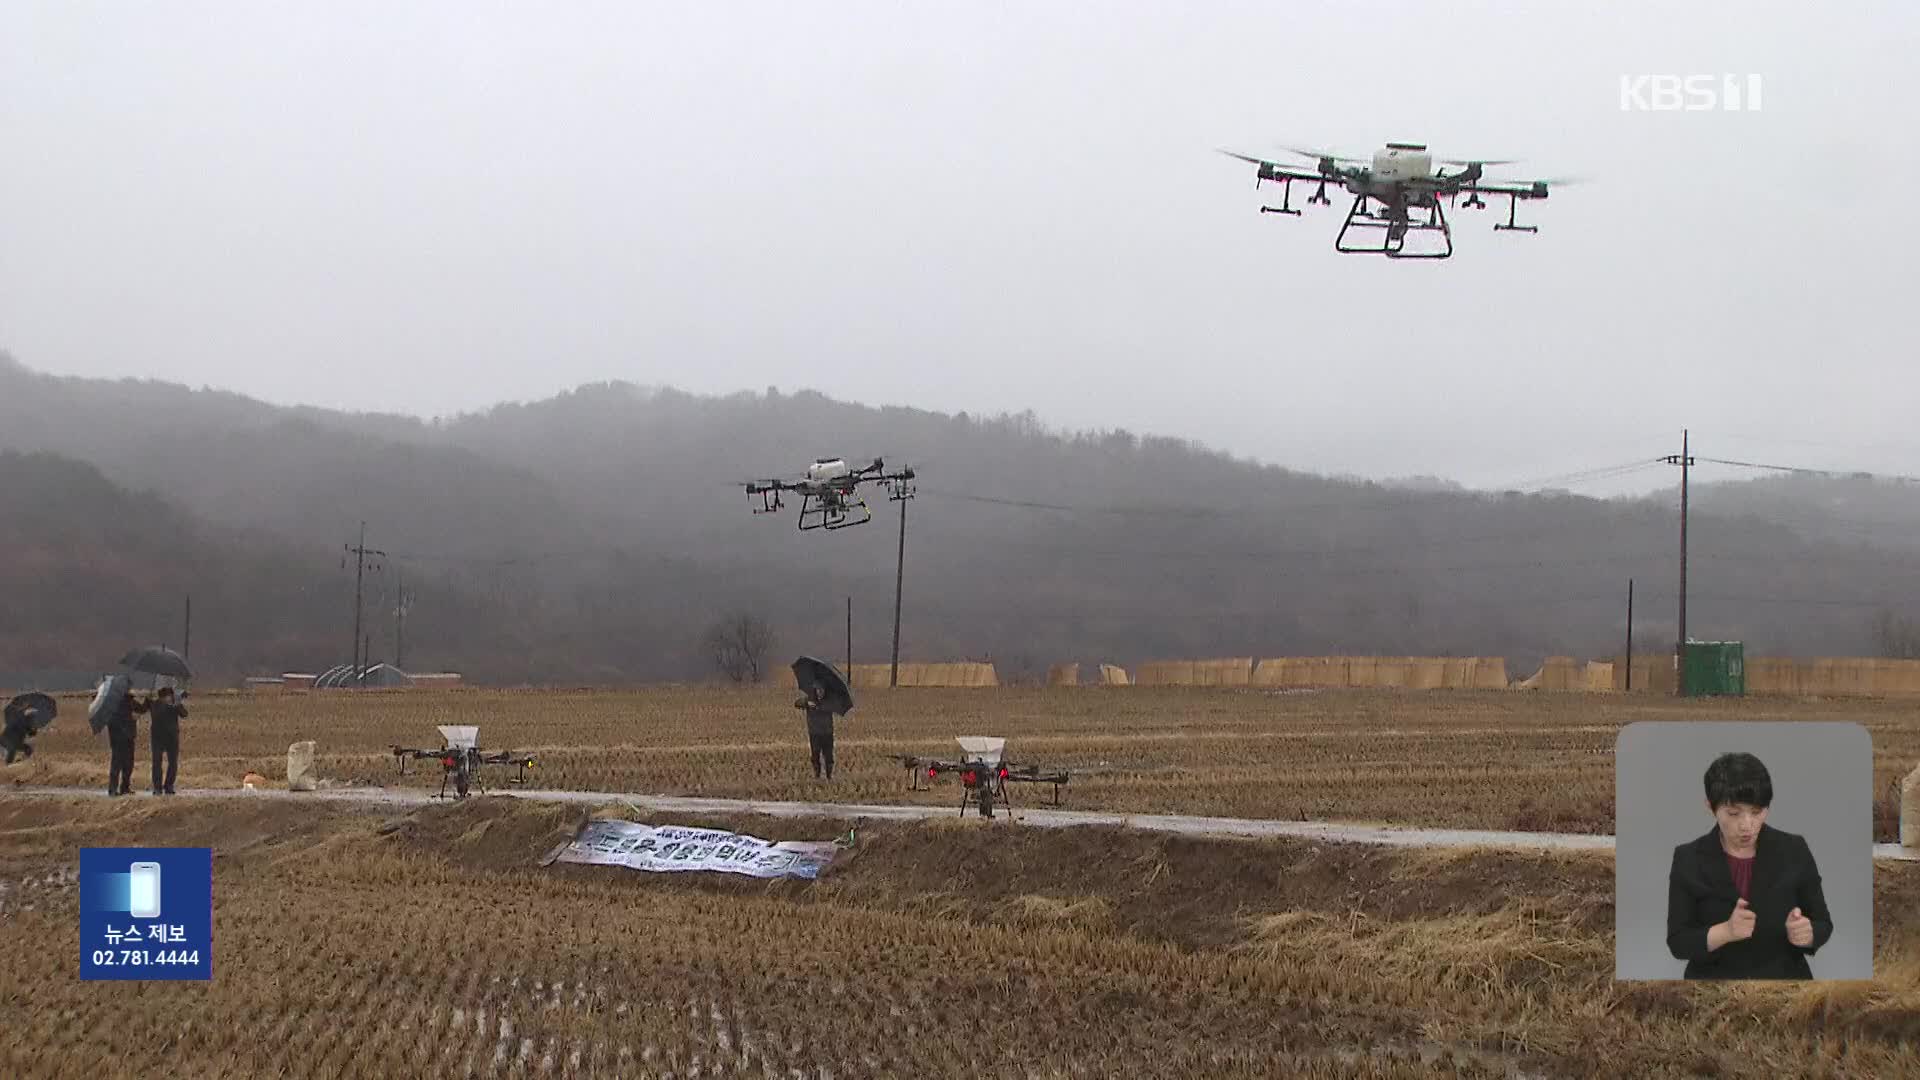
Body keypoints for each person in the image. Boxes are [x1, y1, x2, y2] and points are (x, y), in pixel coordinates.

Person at [1666, 751, 1833, 979]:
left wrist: (1807, 933)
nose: (1747, 825)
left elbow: (1823, 922)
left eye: (1757, 812)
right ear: (1710, 807)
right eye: (1734, 813)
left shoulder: (1794, 849)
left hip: (1785, 984)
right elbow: (1678, 942)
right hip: (1711, 989)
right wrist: (1726, 931)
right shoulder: (1688, 858)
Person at [106, 689, 148, 797]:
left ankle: (124, 787)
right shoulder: (114, 705)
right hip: (118, 739)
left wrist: (148, 700)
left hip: (128, 738)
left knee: (128, 764)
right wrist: (131, 717)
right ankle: (113, 789)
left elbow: (142, 709)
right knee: (117, 764)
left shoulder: (131, 702)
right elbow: (112, 722)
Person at [148, 687, 187, 795]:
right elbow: (157, 714)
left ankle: (169, 785)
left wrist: (178, 704)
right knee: (156, 763)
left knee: (173, 763)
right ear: (163, 697)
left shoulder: (175, 705)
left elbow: (184, 714)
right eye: (169, 696)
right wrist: (168, 706)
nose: (170, 698)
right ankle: (157, 787)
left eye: (171, 696)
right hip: (157, 738)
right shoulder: (155, 704)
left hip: (172, 738)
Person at [794, 682, 835, 780]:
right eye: (818, 690)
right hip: (814, 733)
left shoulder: (830, 701)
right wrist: (806, 703)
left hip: (827, 733)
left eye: (822, 691)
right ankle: (817, 775)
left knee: (829, 756)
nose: (820, 693)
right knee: (815, 755)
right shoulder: (809, 700)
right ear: (815, 691)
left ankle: (829, 776)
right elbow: (797, 703)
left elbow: (837, 705)